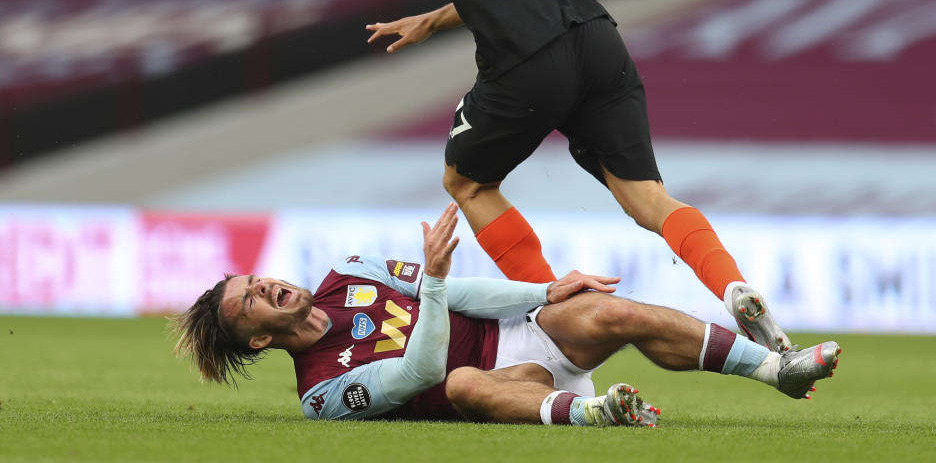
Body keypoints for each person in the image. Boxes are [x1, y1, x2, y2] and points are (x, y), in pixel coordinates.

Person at [231, 0, 791, 353]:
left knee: (466, 182)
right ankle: (732, 285)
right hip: (596, 40)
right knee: (648, 199)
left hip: (529, 60)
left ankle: (560, 313)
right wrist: (436, 18)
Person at [173, 204, 841, 425]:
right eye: (251, 301)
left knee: (604, 310)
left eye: (258, 279)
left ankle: (775, 368)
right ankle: (592, 413)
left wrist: (545, 294)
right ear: (258, 337)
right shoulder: (322, 392)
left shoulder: (348, 273)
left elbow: (462, 293)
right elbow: (422, 370)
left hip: (519, 331)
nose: (268, 286)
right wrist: (432, 281)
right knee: (460, 383)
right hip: (501, 387)